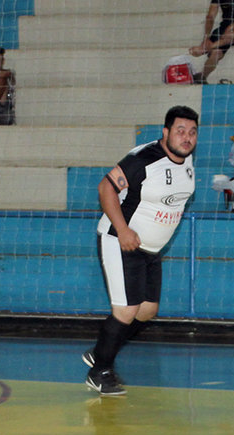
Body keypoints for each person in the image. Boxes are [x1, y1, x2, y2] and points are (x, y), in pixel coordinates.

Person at [85, 106, 200, 396]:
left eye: (192, 132)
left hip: (150, 250)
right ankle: (99, 372)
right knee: (126, 310)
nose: (186, 137)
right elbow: (105, 188)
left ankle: (102, 351)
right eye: (180, 131)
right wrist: (123, 230)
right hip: (120, 241)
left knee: (147, 311)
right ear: (166, 132)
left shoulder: (186, 161)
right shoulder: (144, 159)